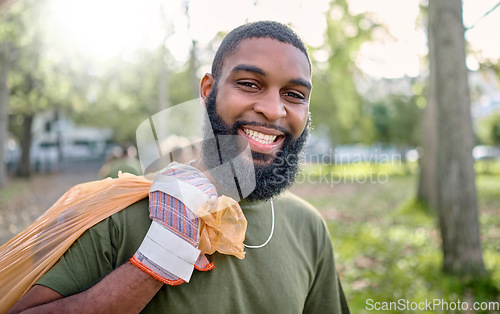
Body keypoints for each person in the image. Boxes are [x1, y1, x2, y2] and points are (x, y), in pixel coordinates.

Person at [8, 21, 350, 313]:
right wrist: (152, 263)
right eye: (249, 84)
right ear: (208, 91)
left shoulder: (308, 227)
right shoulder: (121, 215)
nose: (274, 109)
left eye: (294, 94)